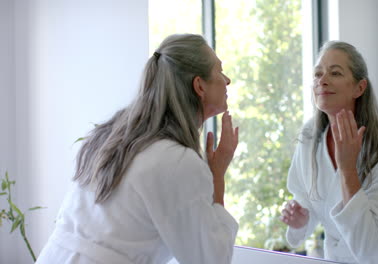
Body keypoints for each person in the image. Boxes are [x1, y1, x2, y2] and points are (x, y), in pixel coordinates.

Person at [36, 34, 239, 264]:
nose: (227, 80)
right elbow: (211, 259)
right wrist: (217, 177)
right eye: (219, 71)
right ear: (199, 85)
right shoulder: (176, 161)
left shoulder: (110, 135)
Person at [280, 41, 378, 264]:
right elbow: (308, 201)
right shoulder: (309, 137)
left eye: (335, 73)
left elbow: (373, 247)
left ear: (359, 88)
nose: (322, 80)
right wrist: (300, 221)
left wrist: (347, 170)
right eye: (317, 74)